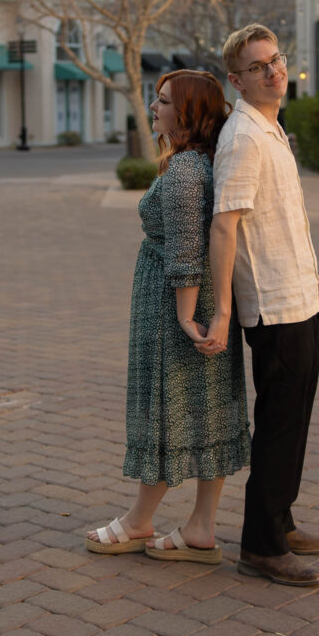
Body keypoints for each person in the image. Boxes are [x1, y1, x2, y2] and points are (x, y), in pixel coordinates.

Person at [86, 70, 250, 564]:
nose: (153, 108)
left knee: (166, 408)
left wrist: (184, 317)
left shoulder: (183, 172)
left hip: (176, 305)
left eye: (161, 101)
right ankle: (200, 526)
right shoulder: (200, 162)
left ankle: (138, 521)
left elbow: (184, 251)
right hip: (203, 300)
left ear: (186, 113)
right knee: (209, 409)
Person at [202, 24, 319, 587]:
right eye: (259, 67)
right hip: (274, 307)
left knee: (295, 417)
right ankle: (261, 545)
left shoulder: (271, 127)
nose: (274, 70)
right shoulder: (245, 138)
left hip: (302, 296)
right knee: (278, 424)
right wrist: (225, 311)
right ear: (237, 80)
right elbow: (224, 226)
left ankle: (280, 518)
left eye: (276, 59)